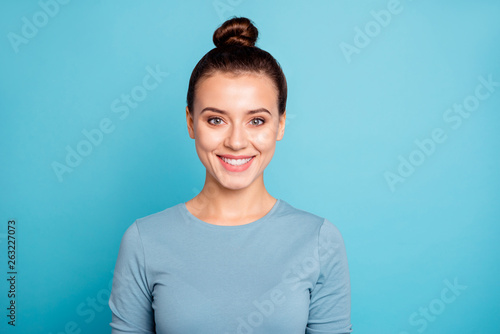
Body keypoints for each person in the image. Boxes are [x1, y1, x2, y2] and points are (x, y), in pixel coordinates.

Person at [108, 16, 352, 334]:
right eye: (215, 120)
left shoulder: (320, 241)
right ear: (190, 122)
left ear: (280, 124)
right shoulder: (143, 242)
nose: (236, 142)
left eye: (256, 121)